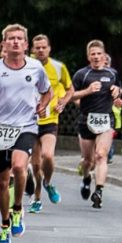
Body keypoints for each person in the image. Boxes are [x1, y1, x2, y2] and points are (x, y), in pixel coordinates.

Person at [0, 25, 51, 243]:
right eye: (10, 39)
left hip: (26, 126)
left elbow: (48, 91)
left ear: (26, 45)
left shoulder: (35, 68)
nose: (15, 42)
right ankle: (5, 223)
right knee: (2, 182)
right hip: (0, 129)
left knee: (18, 167)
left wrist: (42, 106)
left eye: (19, 39)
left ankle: (17, 209)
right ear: (4, 44)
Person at [72, 40, 122, 209]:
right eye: (92, 54)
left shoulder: (112, 73)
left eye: (98, 54)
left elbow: (119, 91)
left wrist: (117, 92)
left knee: (101, 155)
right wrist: (87, 92)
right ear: (88, 57)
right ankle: (86, 178)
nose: (96, 57)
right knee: (88, 160)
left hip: (106, 119)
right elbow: (71, 96)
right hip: (86, 120)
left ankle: (98, 191)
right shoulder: (81, 74)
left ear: (104, 56)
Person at [28, 34, 74, 211]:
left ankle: (48, 182)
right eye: (37, 47)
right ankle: (37, 197)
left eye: (43, 47)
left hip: (50, 118)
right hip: (29, 120)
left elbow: (70, 89)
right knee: (36, 164)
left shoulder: (58, 67)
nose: (40, 50)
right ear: (32, 49)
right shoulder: (26, 65)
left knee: (48, 156)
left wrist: (63, 100)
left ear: (49, 48)